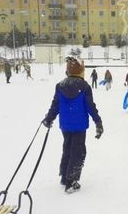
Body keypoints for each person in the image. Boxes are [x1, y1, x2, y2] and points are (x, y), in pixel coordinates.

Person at [42, 57, 103, 193]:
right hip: (79, 125)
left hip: (66, 125)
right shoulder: (85, 87)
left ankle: (64, 176)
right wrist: (98, 122)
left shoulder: (60, 86)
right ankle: (71, 182)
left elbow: (55, 105)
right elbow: (90, 106)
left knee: (68, 148)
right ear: (80, 72)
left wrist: (49, 118)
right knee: (78, 151)